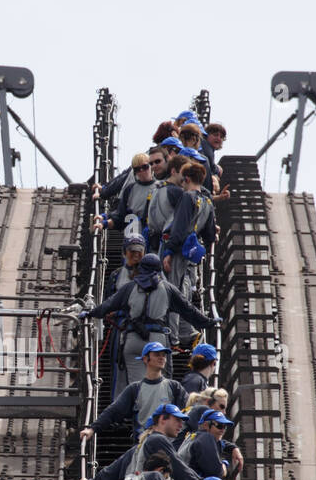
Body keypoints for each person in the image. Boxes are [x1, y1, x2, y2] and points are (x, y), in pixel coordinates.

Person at [80, 255, 219, 390]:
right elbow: (189, 310)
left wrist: (90, 313)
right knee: (160, 385)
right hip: (157, 341)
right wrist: (209, 322)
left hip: (133, 339)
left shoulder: (129, 287)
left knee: (137, 387)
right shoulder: (168, 288)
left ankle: (137, 411)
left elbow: (108, 305)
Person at [81, 342, 188, 442]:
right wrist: (92, 429)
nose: (162, 358)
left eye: (164, 355)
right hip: (144, 444)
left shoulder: (174, 387)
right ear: (146, 359)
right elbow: (114, 411)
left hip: (169, 444)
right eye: (157, 354)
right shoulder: (135, 389)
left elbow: (189, 409)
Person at [161, 162, 216, 344]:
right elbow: (209, 235)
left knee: (171, 292)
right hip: (191, 255)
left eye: (183, 180)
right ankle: (186, 333)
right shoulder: (207, 201)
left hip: (177, 252)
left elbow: (178, 228)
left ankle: (171, 337)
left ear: (187, 179)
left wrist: (168, 251)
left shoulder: (187, 198)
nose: (182, 183)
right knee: (182, 294)